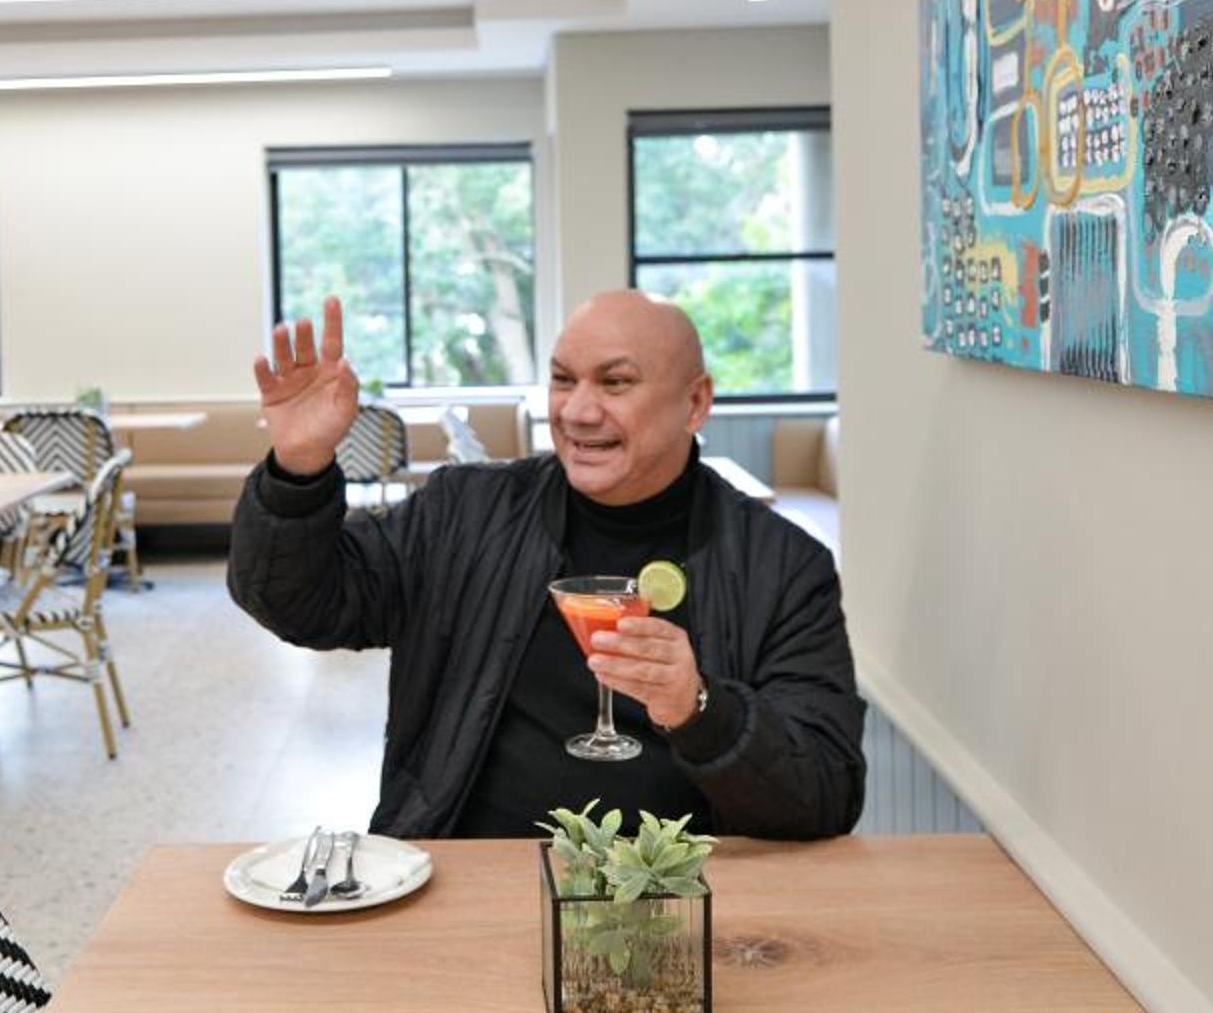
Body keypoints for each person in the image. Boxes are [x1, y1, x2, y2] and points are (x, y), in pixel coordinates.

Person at [228, 289, 864, 839]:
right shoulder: (462, 515)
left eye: (615, 383)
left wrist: (701, 711)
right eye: (563, 380)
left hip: (683, 895)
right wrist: (299, 468)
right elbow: (301, 604)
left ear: (695, 403)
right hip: (473, 875)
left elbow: (826, 793)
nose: (577, 411)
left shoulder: (783, 565)